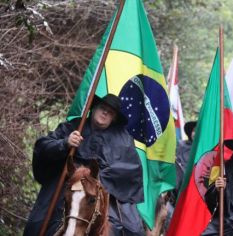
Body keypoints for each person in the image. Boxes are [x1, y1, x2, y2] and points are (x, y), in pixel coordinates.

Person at [24, 94, 145, 236]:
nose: (105, 113)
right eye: (102, 108)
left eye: (110, 112)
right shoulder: (74, 126)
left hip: (103, 189)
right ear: (93, 109)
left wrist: (97, 176)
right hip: (68, 181)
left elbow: (130, 171)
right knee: (40, 222)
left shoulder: (123, 140)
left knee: (128, 229)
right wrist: (65, 143)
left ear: (114, 118)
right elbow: (43, 146)